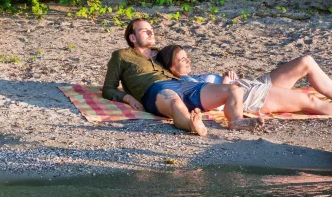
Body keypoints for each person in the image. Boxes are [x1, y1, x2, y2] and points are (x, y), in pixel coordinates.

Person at [101, 18, 257, 136]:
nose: (151, 32)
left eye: (151, 29)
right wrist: (129, 98)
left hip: (182, 84)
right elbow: (108, 88)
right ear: (132, 38)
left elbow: (181, 71)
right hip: (155, 90)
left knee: (233, 89)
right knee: (175, 102)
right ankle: (192, 125)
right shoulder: (121, 56)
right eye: (144, 31)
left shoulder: (162, 53)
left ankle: (236, 121)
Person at [155, 44, 332, 119]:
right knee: (308, 99)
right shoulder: (180, 85)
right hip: (250, 97)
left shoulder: (193, 77)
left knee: (306, 61)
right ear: (171, 68)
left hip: (253, 84)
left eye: (187, 57)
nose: (188, 61)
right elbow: (208, 103)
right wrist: (224, 84)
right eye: (182, 60)